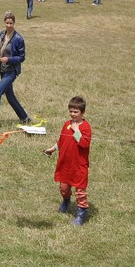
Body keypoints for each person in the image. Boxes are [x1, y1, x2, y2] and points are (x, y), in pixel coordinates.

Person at [44, 96, 92, 226]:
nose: (73, 114)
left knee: (80, 191)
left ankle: (81, 214)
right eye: (71, 111)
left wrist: (77, 131)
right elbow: (62, 141)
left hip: (79, 165)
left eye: (76, 112)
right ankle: (66, 201)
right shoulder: (66, 124)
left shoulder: (86, 127)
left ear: (82, 112)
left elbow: (84, 144)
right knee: (64, 188)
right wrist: (52, 149)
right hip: (65, 163)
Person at [0, 12, 32, 130]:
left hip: (11, 72)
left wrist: (9, 59)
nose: (9, 25)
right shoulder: (2, 34)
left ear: (14, 23)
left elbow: (22, 57)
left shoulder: (18, 39)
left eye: (11, 23)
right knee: (10, 96)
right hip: (2, 70)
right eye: (7, 23)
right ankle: (24, 117)